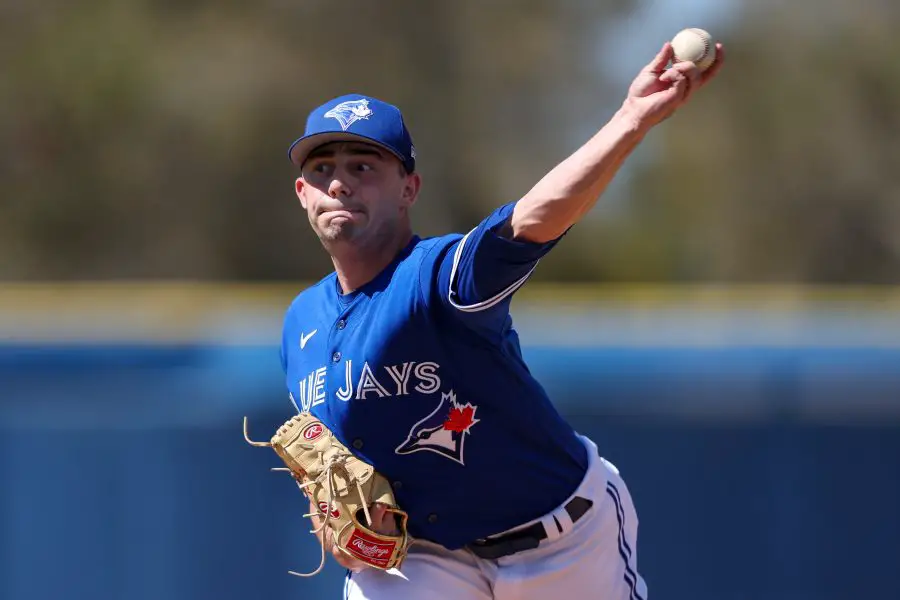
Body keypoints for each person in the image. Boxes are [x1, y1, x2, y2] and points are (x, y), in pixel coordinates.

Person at [279, 40, 724, 600]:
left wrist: (630, 120)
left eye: (363, 166)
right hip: (426, 556)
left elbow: (531, 221)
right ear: (302, 193)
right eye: (322, 170)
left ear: (408, 189)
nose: (339, 183)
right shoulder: (301, 325)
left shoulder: (435, 278)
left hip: (560, 540)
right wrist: (336, 521)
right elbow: (335, 464)